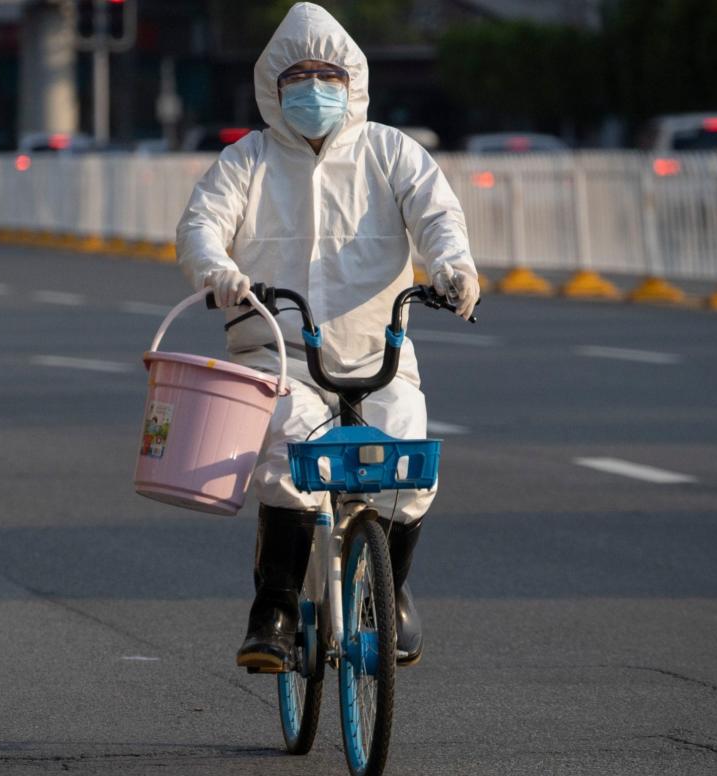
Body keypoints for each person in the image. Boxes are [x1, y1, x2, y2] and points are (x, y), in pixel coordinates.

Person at [176, 2, 479, 673]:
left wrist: (454, 267)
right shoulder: (246, 160)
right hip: (276, 350)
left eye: (327, 75)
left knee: (406, 465)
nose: (314, 89)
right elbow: (201, 226)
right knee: (288, 465)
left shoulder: (391, 151)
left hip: (380, 355)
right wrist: (218, 272)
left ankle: (389, 593)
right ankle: (275, 610)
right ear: (273, 87)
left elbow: (439, 217)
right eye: (299, 76)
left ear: (353, 83)